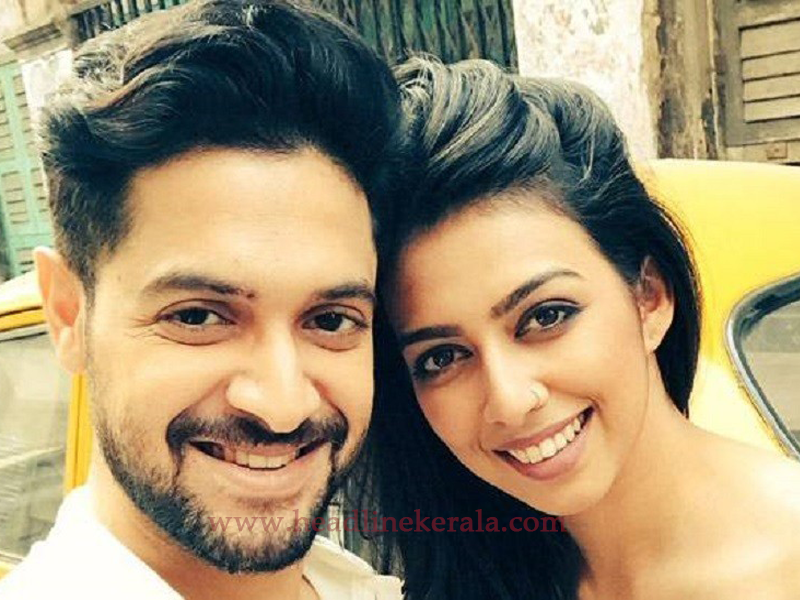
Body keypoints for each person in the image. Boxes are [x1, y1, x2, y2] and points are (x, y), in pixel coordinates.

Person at [0, 1, 404, 598]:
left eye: (330, 320)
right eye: (197, 316)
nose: (283, 406)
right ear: (69, 314)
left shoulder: (359, 584)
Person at [367, 57, 800, 600]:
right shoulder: (474, 569)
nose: (509, 401)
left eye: (545, 316)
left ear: (650, 297)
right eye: (442, 357)